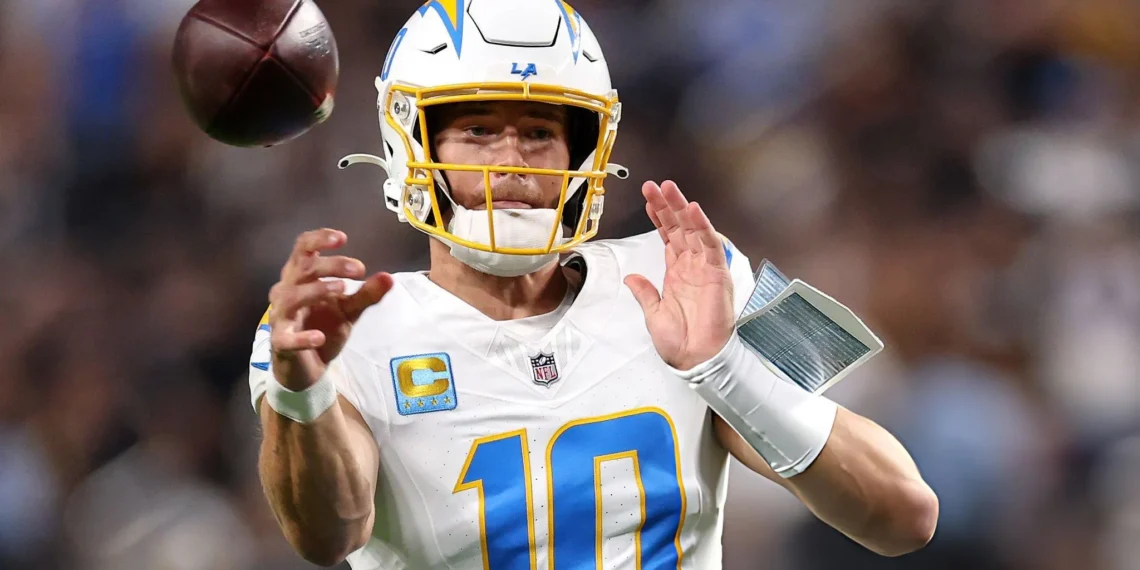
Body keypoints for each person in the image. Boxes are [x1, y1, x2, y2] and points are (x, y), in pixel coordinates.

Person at [247, 1, 939, 568]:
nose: (513, 161)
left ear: (587, 149)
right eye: (480, 131)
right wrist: (300, 391)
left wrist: (722, 366)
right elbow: (328, 535)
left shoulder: (682, 276)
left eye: (542, 133)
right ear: (412, 145)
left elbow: (904, 514)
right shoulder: (348, 330)